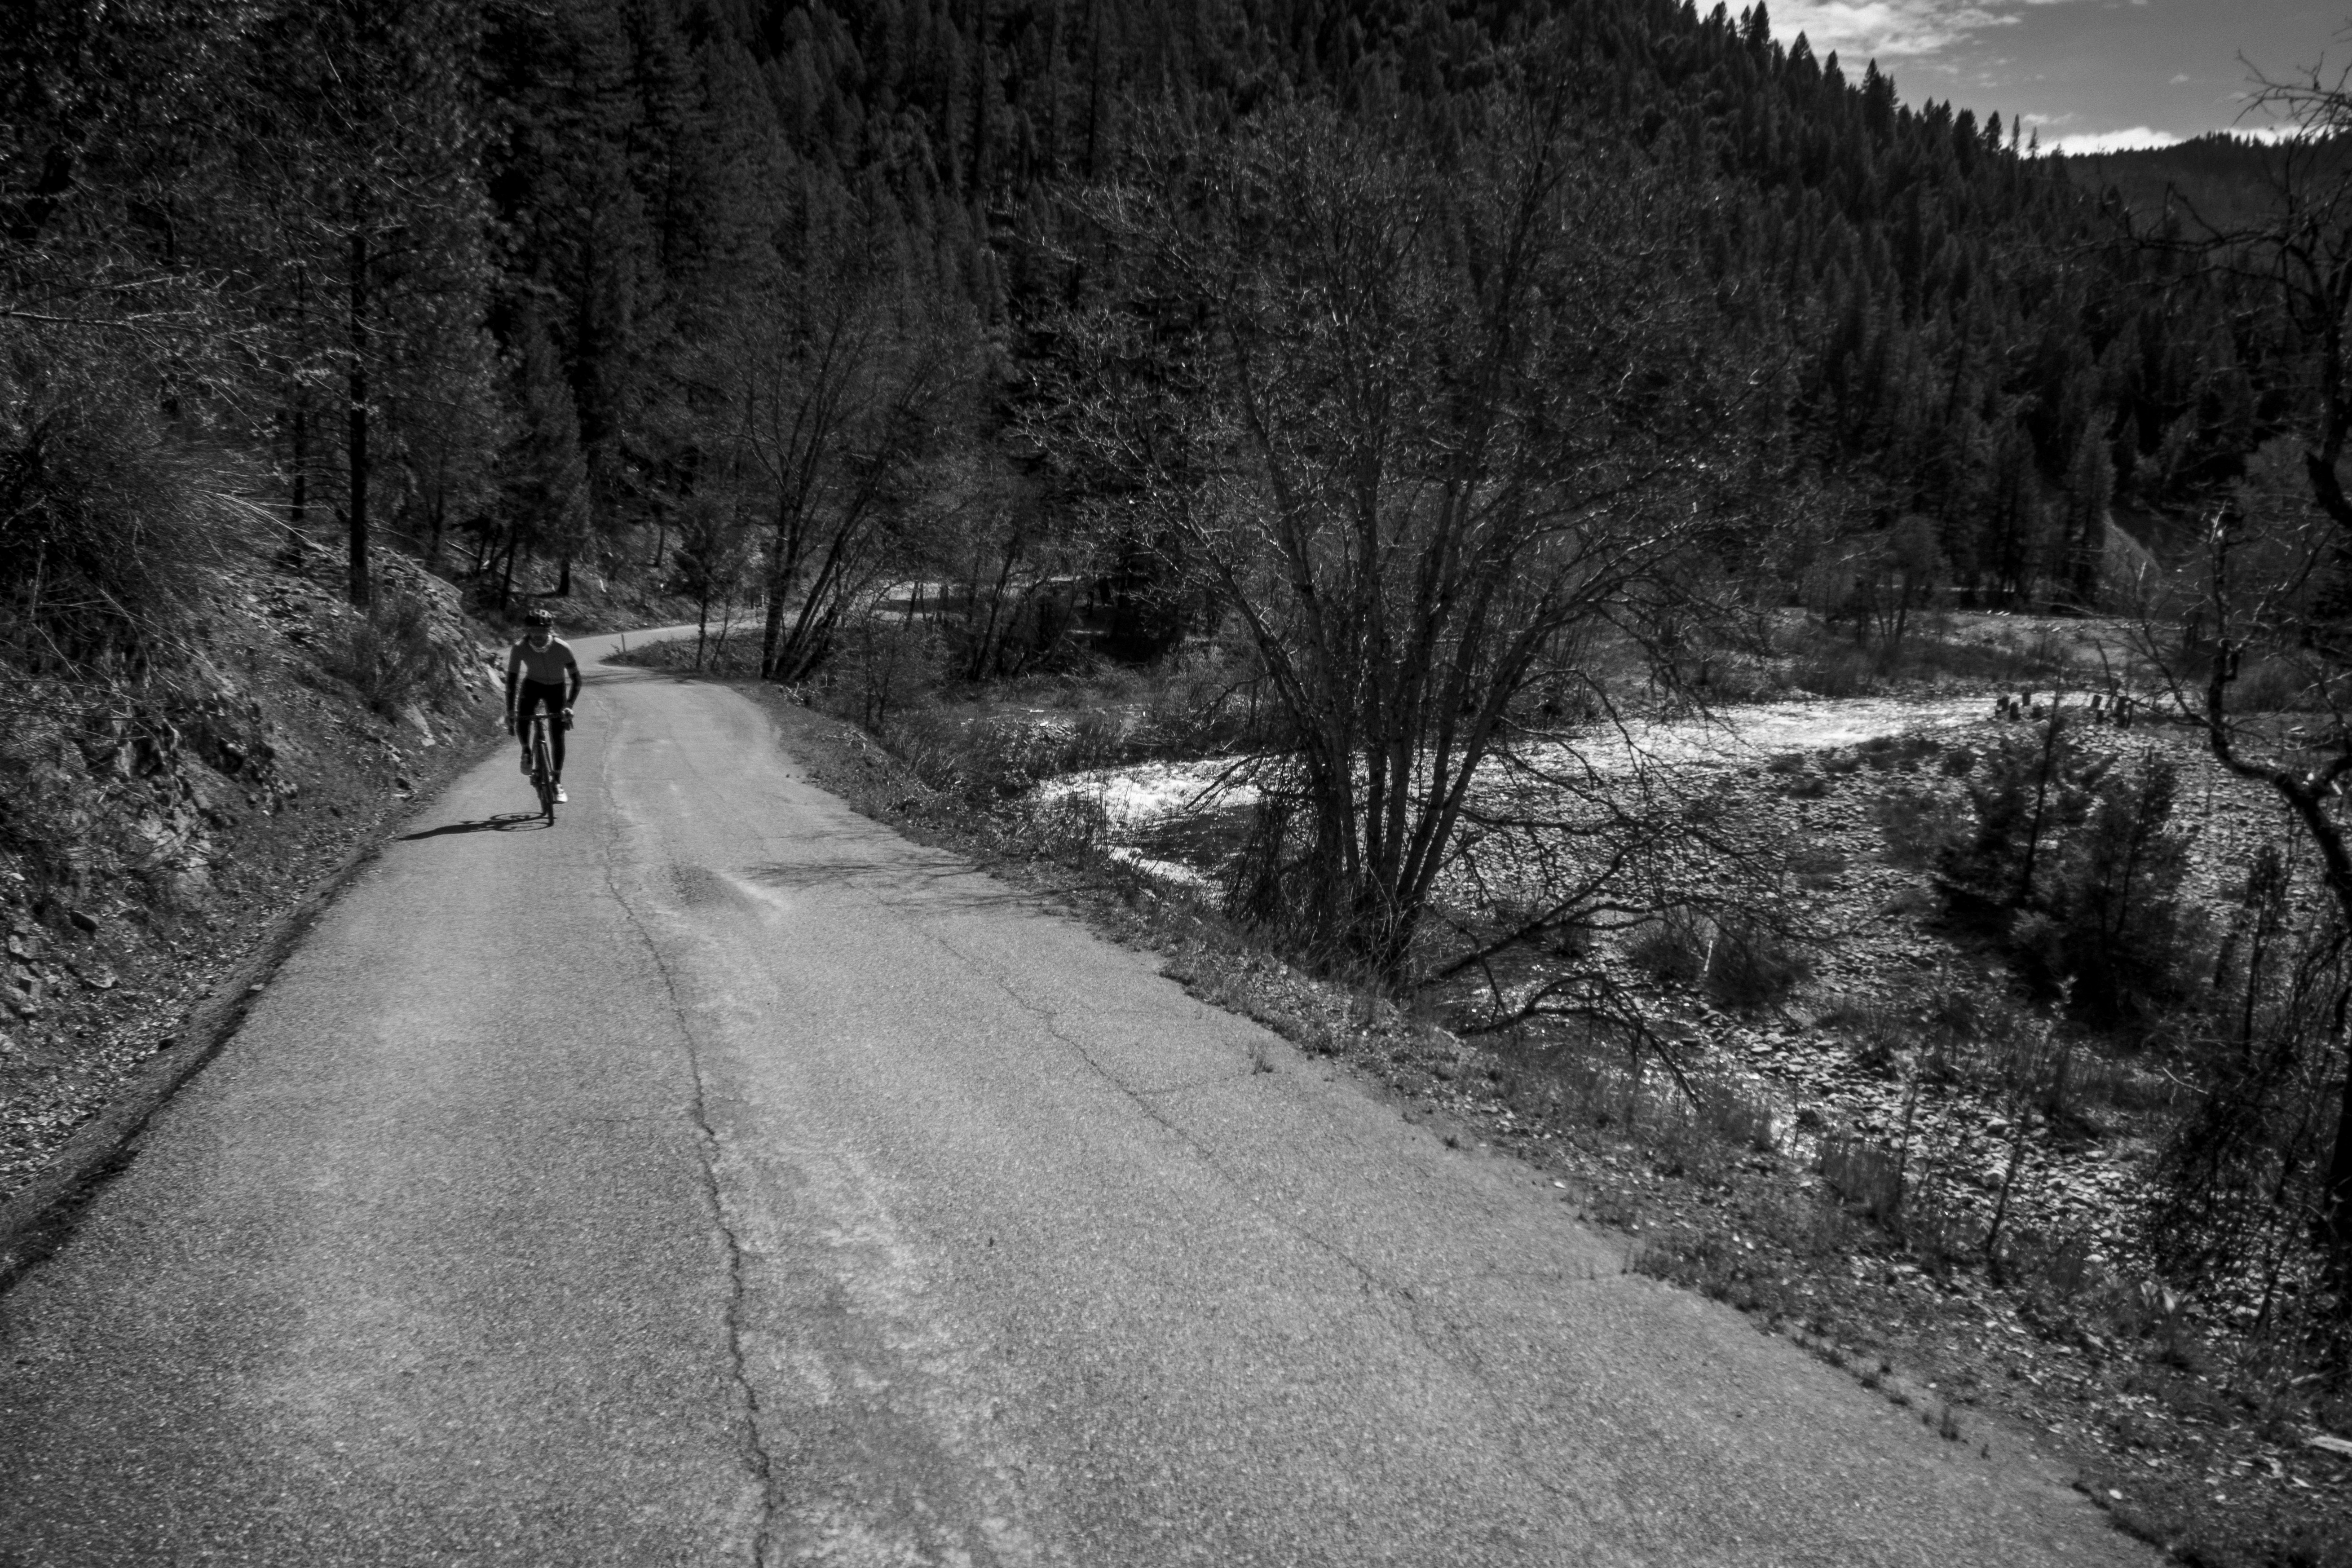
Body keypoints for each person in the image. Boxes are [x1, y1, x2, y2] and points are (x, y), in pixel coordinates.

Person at [505, 608, 580, 802]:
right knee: (522, 717)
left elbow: (577, 680)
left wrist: (569, 705)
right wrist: (510, 711)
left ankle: (556, 781)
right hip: (532, 685)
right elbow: (512, 681)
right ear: (527, 631)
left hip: (557, 688)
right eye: (533, 632)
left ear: (550, 631)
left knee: (557, 734)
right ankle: (527, 751)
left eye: (542, 632)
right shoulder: (520, 647)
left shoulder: (562, 647)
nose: (537, 637)